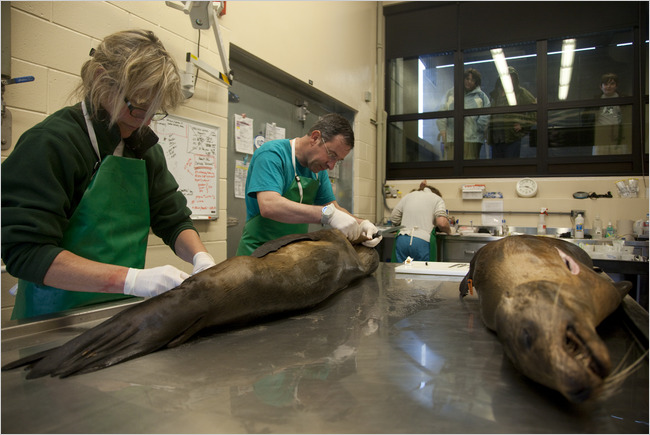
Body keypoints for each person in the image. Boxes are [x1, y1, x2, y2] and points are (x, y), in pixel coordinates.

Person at [1, 30, 216, 320]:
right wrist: (133, 280)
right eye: (138, 108)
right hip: (53, 319)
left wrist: (201, 258)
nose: (145, 121)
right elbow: (26, 252)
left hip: (119, 313)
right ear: (102, 79)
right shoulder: (52, 143)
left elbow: (171, 217)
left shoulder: (143, 149)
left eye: (154, 112)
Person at [236, 114, 381, 256]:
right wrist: (327, 215)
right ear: (315, 137)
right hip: (257, 256)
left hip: (292, 253)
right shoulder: (272, 154)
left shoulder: (318, 170)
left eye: (338, 160)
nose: (331, 166)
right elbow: (269, 205)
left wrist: (362, 224)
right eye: (331, 155)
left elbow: (333, 208)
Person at [390, 181, 451, 262]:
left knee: (402, 271)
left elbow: (394, 218)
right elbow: (442, 223)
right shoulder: (437, 198)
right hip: (422, 242)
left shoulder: (408, 196)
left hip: (402, 239)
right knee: (422, 272)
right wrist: (449, 231)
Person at [436, 68, 491, 160]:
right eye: (467, 79)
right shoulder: (451, 93)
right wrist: (442, 131)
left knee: (469, 169)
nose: (469, 82)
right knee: (452, 168)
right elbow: (442, 112)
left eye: (472, 80)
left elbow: (486, 114)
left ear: (476, 82)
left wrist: (478, 128)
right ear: (463, 79)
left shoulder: (481, 96)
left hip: (473, 140)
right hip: (452, 138)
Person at [487, 66, 537, 158]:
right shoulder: (495, 95)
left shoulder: (520, 92)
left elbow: (535, 109)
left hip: (511, 138)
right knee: (496, 170)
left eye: (511, 77)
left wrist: (523, 124)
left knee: (511, 168)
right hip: (496, 139)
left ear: (515, 79)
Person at [591, 73, 628, 155]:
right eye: (606, 84)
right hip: (601, 135)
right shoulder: (596, 100)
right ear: (601, 86)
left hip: (618, 136)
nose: (609, 86)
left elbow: (627, 117)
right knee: (599, 161)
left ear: (616, 86)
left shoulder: (623, 100)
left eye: (612, 84)